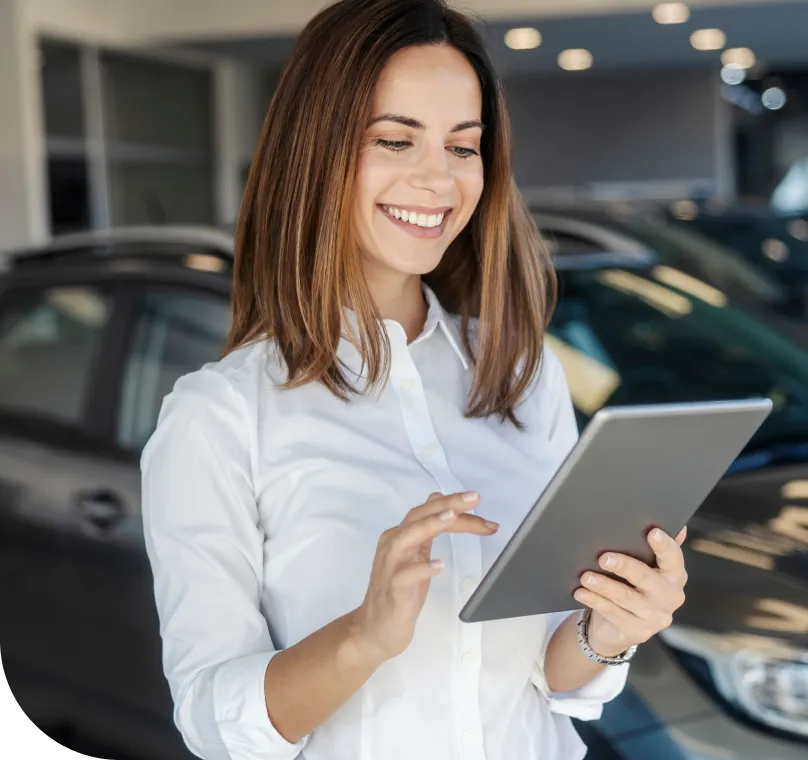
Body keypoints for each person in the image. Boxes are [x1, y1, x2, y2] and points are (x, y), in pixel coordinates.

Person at [141, 1, 689, 758]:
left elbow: (548, 678)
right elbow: (211, 718)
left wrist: (611, 628)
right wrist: (364, 636)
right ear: (316, 150)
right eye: (396, 140)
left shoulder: (523, 373)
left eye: (464, 148)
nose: (438, 180)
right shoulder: (221, 415)